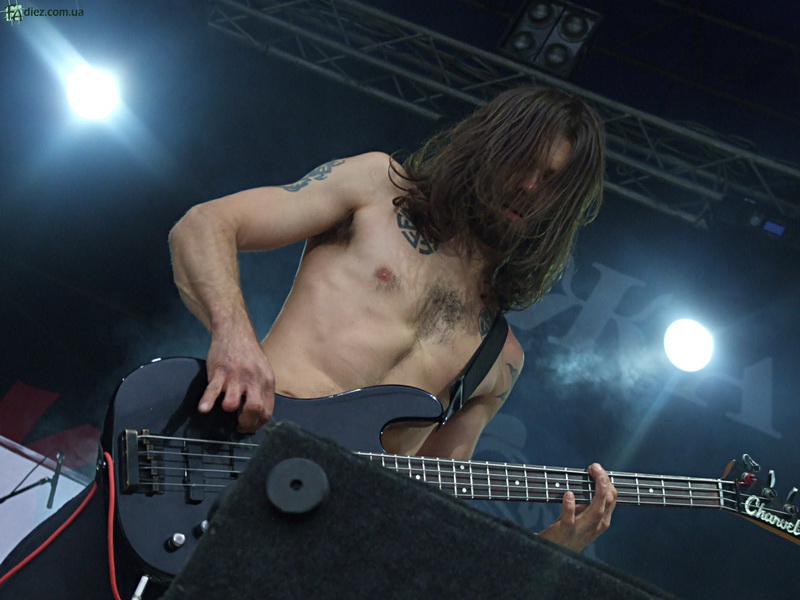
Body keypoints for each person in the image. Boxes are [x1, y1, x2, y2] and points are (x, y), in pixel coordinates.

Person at [167, 85, 617, 553]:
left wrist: (551, 545)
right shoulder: (377, 188)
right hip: (219, 454)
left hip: (310, 546)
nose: (529, 188)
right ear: (492, 143)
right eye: (524, 162)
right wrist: (235, 340)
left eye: (552, 183)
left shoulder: (500, 358)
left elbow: (425, 519)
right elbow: (204, 226)